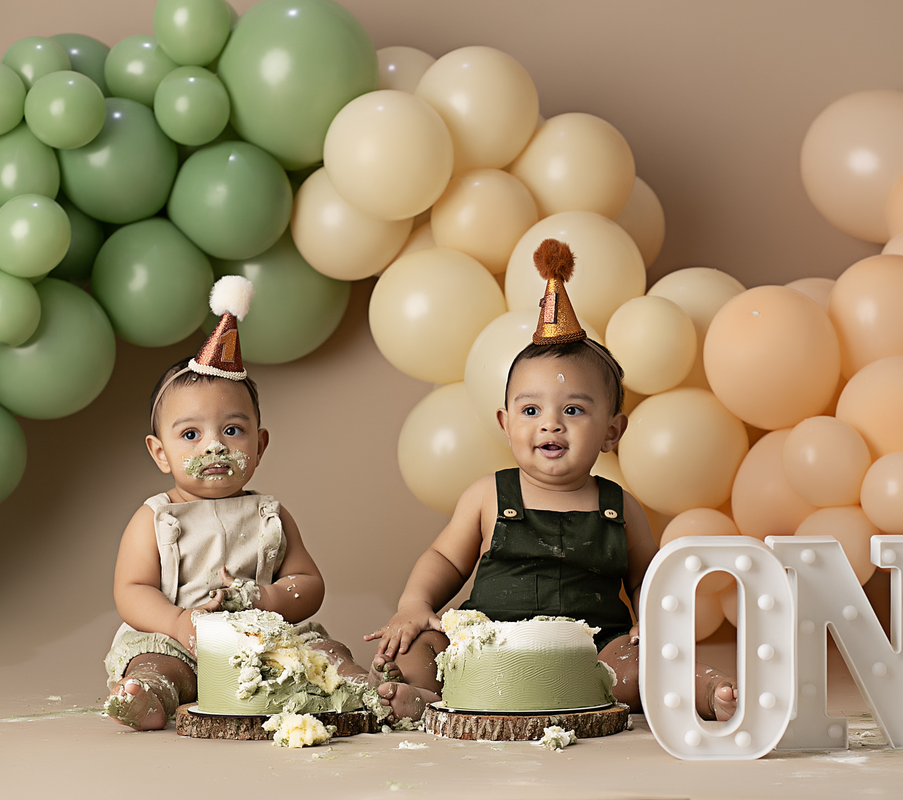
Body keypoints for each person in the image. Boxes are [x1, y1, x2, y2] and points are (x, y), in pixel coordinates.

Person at [365, 239, 738, 722]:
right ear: (506, 425)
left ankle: (702, 690)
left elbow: (648, 575)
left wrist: (651, 620)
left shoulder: (619, 506)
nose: (551, 424)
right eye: (531, 410)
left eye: (574, 410)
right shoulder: (487, 495)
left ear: (612, 431)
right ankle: (418, 695)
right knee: (418, 645)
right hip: (486, 648)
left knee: (641, 662)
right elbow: (444, 558)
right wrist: (414, 604)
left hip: (592, 656)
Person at [103, 276, 365, 730]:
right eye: (191, 434)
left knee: (324, 653)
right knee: (157, 663)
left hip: (264, 641)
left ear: (259, 446)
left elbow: (309, 584)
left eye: (232, 430)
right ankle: (149, 693)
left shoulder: (270, 516)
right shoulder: (156, 518)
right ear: (160, 453)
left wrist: (268, 597)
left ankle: (361, 688)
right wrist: (177, 622)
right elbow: (132, 589)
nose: (215, 446)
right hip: (181, 641)